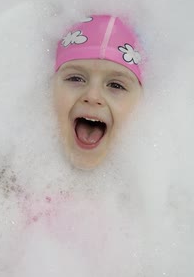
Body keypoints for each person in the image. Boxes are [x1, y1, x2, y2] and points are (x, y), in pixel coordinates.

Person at [52, 15, 143, 169]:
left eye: (116, 85)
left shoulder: (157, 188)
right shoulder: (9, 170)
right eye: (75, 78)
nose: (93, 96)